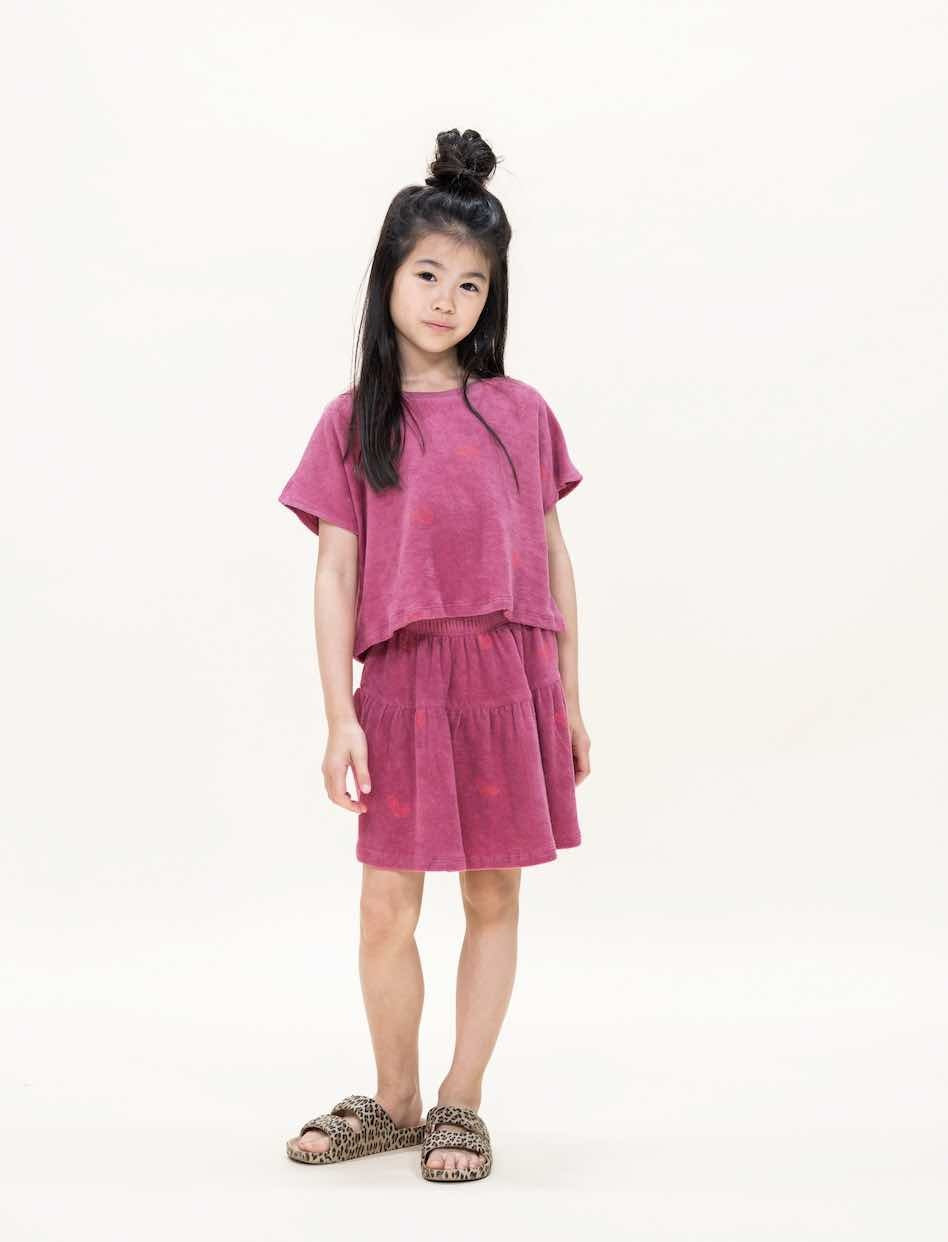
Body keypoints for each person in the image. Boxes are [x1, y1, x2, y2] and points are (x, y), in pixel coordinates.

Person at [277, 128, 591, 1183]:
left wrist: (571, 699)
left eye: (471, 283)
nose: (447, 300)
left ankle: (462, 1100)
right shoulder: (350, 422)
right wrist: (339, 714)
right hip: (404, 686)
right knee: (386, 904)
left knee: (493, 896)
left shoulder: (519, 412)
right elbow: (334, 574)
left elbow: (552, 558)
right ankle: (395, 1098)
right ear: (388, 277)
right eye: (427, 274)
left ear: (491, 296)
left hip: (510, 679)